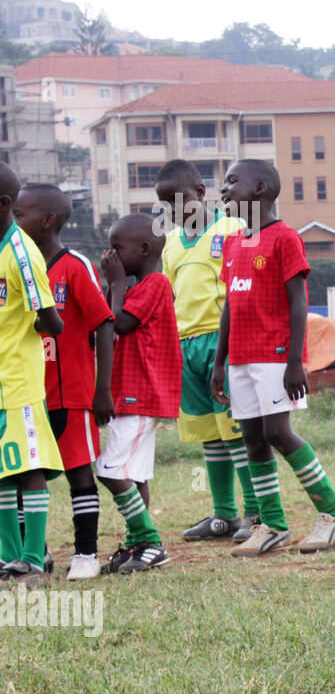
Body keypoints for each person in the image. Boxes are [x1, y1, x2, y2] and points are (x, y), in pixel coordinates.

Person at [211, 159, 335, 557]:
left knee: (277, 432)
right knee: (253, 438)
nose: (223, 191)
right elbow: (229, 306)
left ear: (260, 189)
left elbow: (298, 302)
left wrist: (296, 359)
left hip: (275, 355)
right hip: (239, 356)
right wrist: (220, 361)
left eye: (231, 182)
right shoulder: (233, 242)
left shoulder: (285, 237)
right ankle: (272, 524)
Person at [13, 183, 114, 580]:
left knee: (78, 472)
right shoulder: (21, 266)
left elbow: (103, 323)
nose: (16, 223)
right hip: (30, 393)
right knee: (25, 473)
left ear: (48, 220)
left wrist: (101, 388)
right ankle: (35, 552)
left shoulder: (76, 265)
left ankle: (86, 554)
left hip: (72, 393)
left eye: (22, 216)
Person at [156, 159, 259, 543]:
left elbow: (242, 289)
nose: (172, 210)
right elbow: (169, 297)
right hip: (187, 347)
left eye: (177, 200)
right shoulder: (169, 244)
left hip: (223, 343)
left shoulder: (233, 228)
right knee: (209, 435)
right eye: (164, 204)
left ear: (200, 194)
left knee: (236, 430)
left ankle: (255, 511)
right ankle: (224, 514)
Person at [96, 214, 180, 573]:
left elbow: (119, 324)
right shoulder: (132, 288)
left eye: (118, 249)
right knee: (135, 474)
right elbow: (101, 321)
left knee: (109, 470)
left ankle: (150, 542)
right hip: (132, 396)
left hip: (139, 395)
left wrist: (115, 283)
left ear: (144, 249)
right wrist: (111, 284)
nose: (112, 256)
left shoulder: (156, 284)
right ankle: (137, 545)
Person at [0, 163, 65, 583]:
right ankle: (8, 558)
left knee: (28, 468)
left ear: (3, 204)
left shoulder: (22, 253)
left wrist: (36, 325)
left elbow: (52, 321)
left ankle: (34, 559)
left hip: (20, 380)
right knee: (2, 471)